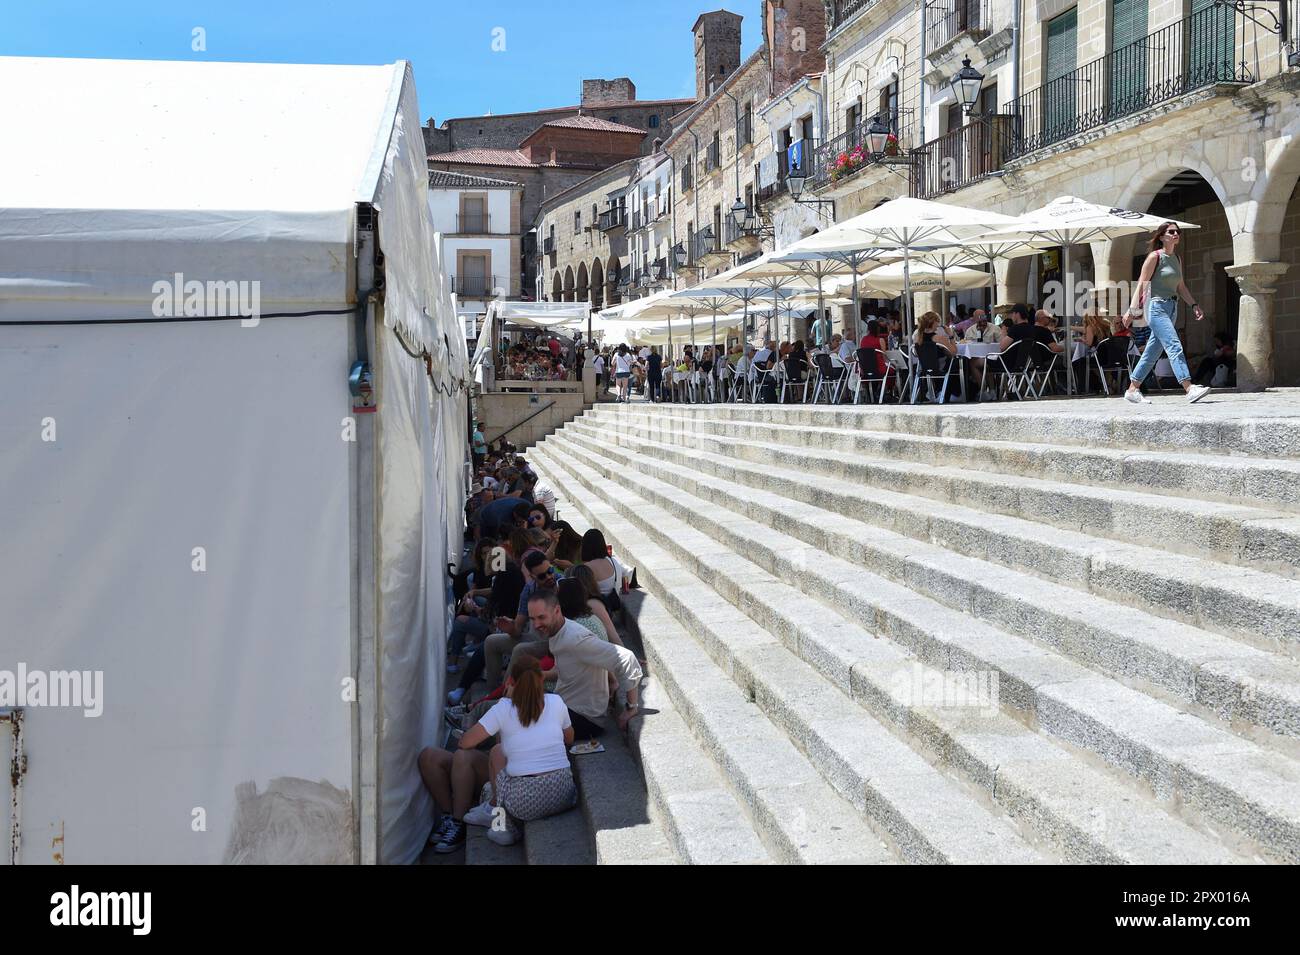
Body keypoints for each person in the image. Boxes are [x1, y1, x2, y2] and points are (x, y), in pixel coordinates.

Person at [423, 653, 578, 851]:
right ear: (542, 679)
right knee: (498, 753)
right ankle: (471, 816)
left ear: (510, 682)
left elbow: (464, 742)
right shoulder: (556, 701)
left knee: (495, 752)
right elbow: (569, 738)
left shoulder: (504, 707)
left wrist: (505, 703)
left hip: (524, 800)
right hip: (564, 793)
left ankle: (499, 822)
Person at [527, 589, 642, 741]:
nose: (536, 624)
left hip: (584, 719)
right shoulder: (558, 630)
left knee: (515, 725)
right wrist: (542, 675)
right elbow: (571, 666)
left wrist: (631, 707)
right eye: (532, 619)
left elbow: (627, 658)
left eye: (541, 617)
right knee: (511, 708)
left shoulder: (575, 638)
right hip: (565, 706)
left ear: (557, 610)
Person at [1122, 221, 1210, 404]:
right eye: (1171, 231)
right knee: (1174, 344)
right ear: (1162, 236)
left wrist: (1194, 305)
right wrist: (1131, 310)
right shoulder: (1155, 257)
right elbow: (1141, 284)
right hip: (1156, 307)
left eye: (1177, 231)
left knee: (1152, 352)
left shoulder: (1176, 259)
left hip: (1172, 308)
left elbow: (1180, 286)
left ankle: (1132, 390)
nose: (1175, 234)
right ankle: (1188, 387)